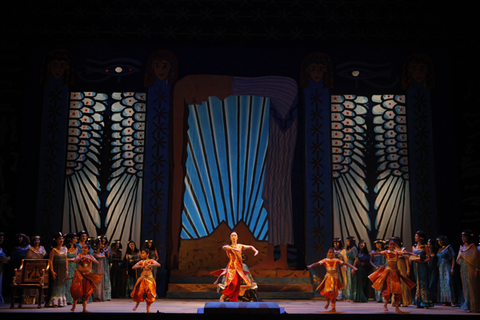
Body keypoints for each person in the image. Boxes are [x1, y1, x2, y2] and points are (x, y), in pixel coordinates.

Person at [369, 239, 417, 313]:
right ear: (388, 245)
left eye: (393, 244)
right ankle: (385, 305)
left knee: (397, 290)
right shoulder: (386, 252)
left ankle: (397, 308)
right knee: (388, 290)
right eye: (390, 244)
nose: (392, 246)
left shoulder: (396, 252)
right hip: (388, 273)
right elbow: (377, 253)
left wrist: (412, 254)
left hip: (395, 273)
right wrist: (371, 254)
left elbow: (405, 253)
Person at [212, 232, 259, 302]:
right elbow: (223, 247)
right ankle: (223, 296)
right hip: (231, 267)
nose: (233, 237)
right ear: (230, 238)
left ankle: (233, 299)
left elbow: (250, 247)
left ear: (237, 237)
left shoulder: (240, 246)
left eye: (235, 235)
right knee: (233, 282)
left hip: (239, 267)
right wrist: (234, 249)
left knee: (237, 284)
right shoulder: (229, 247)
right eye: (232, 236)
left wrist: (256, 250)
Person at [307, 247, 357, 313]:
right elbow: (317, 263)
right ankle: (327, 303)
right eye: (329, 252)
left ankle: (333, 308)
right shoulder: (325, 260)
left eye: (332, 252)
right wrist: (311, 265)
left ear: (334, 253)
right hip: (328, 278)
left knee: (333, 294)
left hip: (334, 279)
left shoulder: (336, 260)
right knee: (326, 292)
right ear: (327, 253)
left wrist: (353, 267)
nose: (331, 253)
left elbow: (345, 263)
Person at [70, 243, 103, 313]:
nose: (83, 249)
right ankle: (74, 306)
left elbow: (97, 262)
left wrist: (89, 258)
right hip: (79, 274)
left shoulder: (90, 256)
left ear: (88, 250)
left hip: (87, 275)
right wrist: (81, 258)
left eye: (85, 248)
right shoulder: (79, 255)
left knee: (87, 291)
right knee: (77, 289)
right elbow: (75, 260)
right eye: (82, 248)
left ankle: (84, 309)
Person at [131, 248, 161, 313]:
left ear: (147, 254)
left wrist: (150, 264)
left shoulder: (151, 260)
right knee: (139, 293)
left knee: (150, 295)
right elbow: (133, 267)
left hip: (149, 279)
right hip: (142, 279)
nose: (142, 254)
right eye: (141, 253)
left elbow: (158, 264)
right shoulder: (141, 262)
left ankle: (148, 309)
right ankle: (136, 305)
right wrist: (140, 266)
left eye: (143, 253)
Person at [457, 230, 480, 313]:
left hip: (471, 269)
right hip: (464, 269)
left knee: (472, 286)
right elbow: (459, 259)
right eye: (462, 237)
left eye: (465, 237)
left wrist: (477, 269)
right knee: (466, 286)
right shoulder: (462, 247)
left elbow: (477, 260)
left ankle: (474, 305)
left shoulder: (473, 248)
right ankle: (467, 304)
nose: (463, 238)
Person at [411, 230, 434, 308]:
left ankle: (425, 301)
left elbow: (429, 258)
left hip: (423, 266)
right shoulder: (413, 247)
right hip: (416, 266)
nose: (415, 237)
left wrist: (422, 261)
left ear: (420, 237)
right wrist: (414, 259)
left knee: (423, 282)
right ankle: (418, 301)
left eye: (416, 236)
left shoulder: (425, 246)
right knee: (417, 282)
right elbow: (412, 257)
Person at [46, 232, 68, 307]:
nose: (61, 240)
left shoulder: (65, 249)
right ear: (56, 240)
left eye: (62, 239)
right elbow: (50, 261)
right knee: (55, 285)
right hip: (56, 269)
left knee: (62, 285)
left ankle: (61, 301)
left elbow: (66, 260)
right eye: (59, 239)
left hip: (63, 270)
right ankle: (54, 302)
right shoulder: (53, 250)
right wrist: (52, 271)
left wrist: (67, 269)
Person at [24, 235, 47, 304]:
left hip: (41, 268)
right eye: (35, 240)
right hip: (32, 268)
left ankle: (40, 299)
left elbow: (45, 256)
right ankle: (31, 299)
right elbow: (27, 259)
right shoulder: (30, 249)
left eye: (38, 240)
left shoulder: (42, 248)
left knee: (40, 282)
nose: (37, 242)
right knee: (33, 283)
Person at [392, 236, 414, 307]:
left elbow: (407, 259)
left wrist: (408, 268)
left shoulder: (403, 249)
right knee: (396, 285)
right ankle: (396, 302)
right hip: (395, 268)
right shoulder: (393, 250)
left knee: (403, 284)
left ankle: (405, 301)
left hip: (402, 268)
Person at [436, 235, 456, 306]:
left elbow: (453, 257)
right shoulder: (440, 249)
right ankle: (445, 300)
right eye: (438, 241)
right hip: (441, 268)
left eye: (441, 241)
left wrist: (452, 267)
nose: (440, 242)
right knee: (443, 283)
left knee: (448, 282)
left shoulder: (449, 248)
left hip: (447, 266)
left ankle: (451, 300)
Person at [65, 233, 79, 305]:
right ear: (70, 239)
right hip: (68, 265)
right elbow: (64, 258)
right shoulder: (65, 248)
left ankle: (71, 299)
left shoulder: (76, 248)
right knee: (68, 283)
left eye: (76, 238)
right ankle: (67, 299)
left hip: (74, 266)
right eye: (74, 238)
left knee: (73, 283)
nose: (76, 240)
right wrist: (71, 259)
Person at [345, 236, 359, 302]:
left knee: (353, 282)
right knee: (349, 281)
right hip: (349, 265)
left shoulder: (354, 248)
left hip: (352, 265)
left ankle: (353, 297)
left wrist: (353, 268)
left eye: (348, 241)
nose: (347, 242)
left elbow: (356, 258)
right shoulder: (349, 249)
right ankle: (349, 296)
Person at [0, 232, 11, 304]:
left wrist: (6, 258)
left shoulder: (1, 248)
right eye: (0, 238)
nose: (1, 240)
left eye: (2, 238)